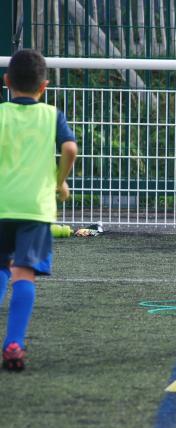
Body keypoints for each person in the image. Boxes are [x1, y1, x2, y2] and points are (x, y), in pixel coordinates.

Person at [0, 49, 77, 371]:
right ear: (44, 86)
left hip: (2, 204)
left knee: (1, 269)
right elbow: (70, 148)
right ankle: (14, 343)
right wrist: (60, 182)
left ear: (7, 82)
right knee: (23, 273)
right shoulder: (51, 115)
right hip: (35, 207)